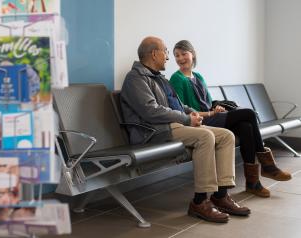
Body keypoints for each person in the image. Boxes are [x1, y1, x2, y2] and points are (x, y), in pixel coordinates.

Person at [120, 36, 250, 223]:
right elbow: (151, 111)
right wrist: (186, 119)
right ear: (154, 53)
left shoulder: (161, 79)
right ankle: (199, 202)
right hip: (153, 131)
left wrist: (192, 114)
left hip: (172, 126)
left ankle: (221, 196)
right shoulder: (135, 78)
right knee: (205, 137)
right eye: (165, 51)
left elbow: (180, 106)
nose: (167, 57)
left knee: (227, 136)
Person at [170, 40, 292, 198]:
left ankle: (252, 183)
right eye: (176, 56)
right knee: (249, 114)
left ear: (192, 54)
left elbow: (208, 102)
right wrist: (211, 113)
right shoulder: (176, 78)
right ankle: (267, 165)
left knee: (246, 127)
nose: (180, 58)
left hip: (212, 115)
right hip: (201, 121)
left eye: (183, 54)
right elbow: (184, 109)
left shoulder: (198, 76)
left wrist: (217, 108)